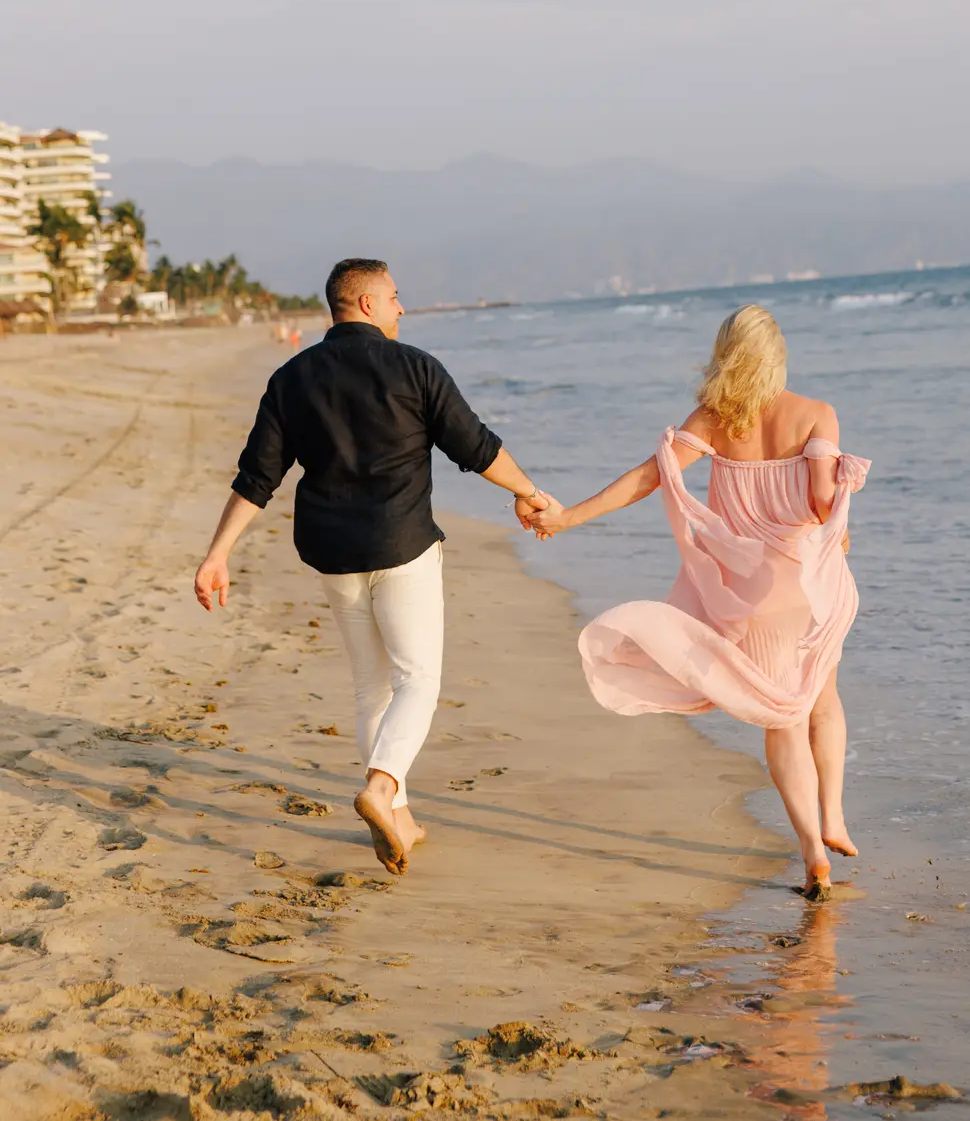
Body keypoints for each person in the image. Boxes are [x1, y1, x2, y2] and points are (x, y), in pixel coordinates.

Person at [193, 257, 559, 875]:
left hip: (332, 554)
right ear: (365, 304)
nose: (401, 307)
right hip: (402, 545)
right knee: (418, 680)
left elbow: (258, 478)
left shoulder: (292, 377)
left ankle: (403, 819)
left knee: (372, 686)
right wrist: (528, 492)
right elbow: (476, 446)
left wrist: (217, 553)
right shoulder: (414, 367)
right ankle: (383, 789)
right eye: (393, 297)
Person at [523, 305, 868, 900]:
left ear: (726, 355)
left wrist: (569, 516)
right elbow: (818, 501)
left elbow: (648, 477)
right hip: (808, 587)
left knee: (781, 719)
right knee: (824, 700)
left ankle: (813, 847)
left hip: (748, 596)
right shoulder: (817, 414)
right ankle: (834, 813)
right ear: (777, 355)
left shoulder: (713, 421)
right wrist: (843, 499)